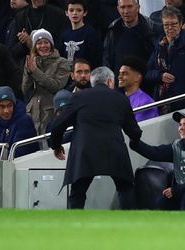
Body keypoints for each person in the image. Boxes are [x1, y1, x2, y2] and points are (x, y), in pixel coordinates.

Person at [50, 66, 142, 209]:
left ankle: (72, 226)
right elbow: (134, 131)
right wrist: (135, 141)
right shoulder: (121, 99)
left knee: (78, 191)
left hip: (85, 151)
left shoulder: (79, 97)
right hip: (114, 149)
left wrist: (56, 145)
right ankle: (129, 226)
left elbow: (58, 125)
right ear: (110, 82)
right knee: (125, 188)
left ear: (92, 82)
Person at [130, 111, 185, 210]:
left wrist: (176, 190)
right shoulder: (177, 145)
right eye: (180, 125)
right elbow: (155, 153)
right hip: (179, 191)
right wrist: (135, 142)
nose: (181, 128)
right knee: (162, 202)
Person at [21, 28, 71, 135]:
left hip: (51, 113)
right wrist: (28, 71)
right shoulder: (32, 62)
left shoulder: (62, 62)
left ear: (51, 44)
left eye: (46, 42)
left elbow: (56, 86)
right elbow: (25, 89)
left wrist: (35, 71)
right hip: (33, 113)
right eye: (39, 43)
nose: (43, 46)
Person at [0, 86, 39, 159]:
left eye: (9, 106)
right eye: (2, 106)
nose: (6, 111)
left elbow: (19, 153)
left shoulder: (24, 121)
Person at [103, 0, 158, 82]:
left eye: (129, 6)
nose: (126, 11)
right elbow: (107, 58)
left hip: (145, 83)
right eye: (122, 7)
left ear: (138, 7)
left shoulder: (151, 28)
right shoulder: (113, 29)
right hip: (119, 84)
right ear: (118, 9)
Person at [8, 0, 68, 66]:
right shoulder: (20, 16)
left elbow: (62, 46)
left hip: (52, 66)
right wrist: (24, 43)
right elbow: (12, 51)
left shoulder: (58, 14)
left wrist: (32, 44)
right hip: (26, 67)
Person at [59, 0, 102, 69]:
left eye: (79, 10)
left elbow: (96, 59)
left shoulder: (91, 33)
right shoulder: (64, 35)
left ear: (85, 13)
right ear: (66, 13)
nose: (75, 13)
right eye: (71, 10)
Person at [118, 56, 159, 122]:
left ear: (137, 77)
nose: (119, 77)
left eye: (124, 74)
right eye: (119, 73)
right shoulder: (119, 99)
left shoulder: (146, 102)